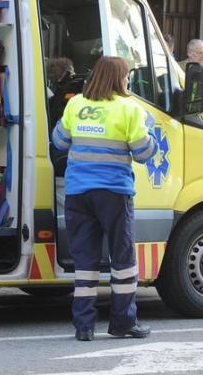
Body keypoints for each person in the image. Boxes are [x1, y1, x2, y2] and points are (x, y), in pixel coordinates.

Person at [51, 56, 158, 341]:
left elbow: (59, 141)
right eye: (125, 77)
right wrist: (151, 132)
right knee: (122, 260)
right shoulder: (129, 109)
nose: (127, 82)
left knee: (84, 261)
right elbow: (144, 153)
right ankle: (123, 322)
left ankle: (83, 326)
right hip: (113, 192)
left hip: (77, 193)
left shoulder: (76, 105)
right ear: (118, 79)